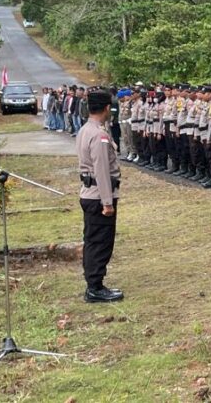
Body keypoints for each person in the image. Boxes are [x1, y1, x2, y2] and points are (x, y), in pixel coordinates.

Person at [77, 88, 124, 303]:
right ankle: (95, 287)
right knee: (100, 242)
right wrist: (107, 202)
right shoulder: (100, 135)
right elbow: (102, 170)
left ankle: (93, 283)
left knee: (92, 240)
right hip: (99, 196)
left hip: (90, 193)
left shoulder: (86, 129)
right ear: (106, 108)